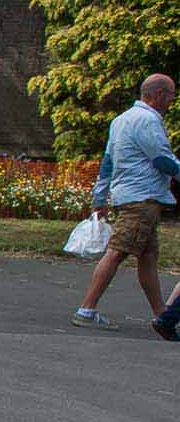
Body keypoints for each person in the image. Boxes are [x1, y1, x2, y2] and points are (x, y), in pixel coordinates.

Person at [75, 73, 178, 330]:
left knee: (148, 256)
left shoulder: (121, 120)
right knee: (117, 252)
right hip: (142, 198)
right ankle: (86, 309)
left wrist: (100, 196)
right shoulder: (148, 120)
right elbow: (162, 159)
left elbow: (108, 162)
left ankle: (163, 315)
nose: (173, 100)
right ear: (159, 95)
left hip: (128, 196)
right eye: (172, 94)